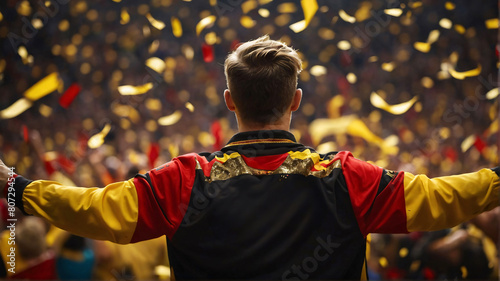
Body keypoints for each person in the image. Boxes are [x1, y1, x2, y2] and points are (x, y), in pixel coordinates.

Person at [0, 35, 499, 280]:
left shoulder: (185, 180)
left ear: (229, 100)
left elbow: (95, 211)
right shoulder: (344, 177)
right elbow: (444, 199)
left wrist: (18, 187)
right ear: (297, 101)